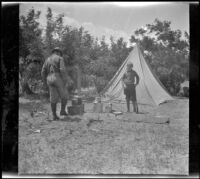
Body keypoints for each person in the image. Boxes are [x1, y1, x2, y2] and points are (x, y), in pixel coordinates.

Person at [41, 47, 73, 120]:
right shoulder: (60, 58)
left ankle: (54, 115)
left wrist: (45, 82)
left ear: (53, 52)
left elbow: (42, 72)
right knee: (65, 95)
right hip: (57, 77)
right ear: (59, 52)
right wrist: (65, 80)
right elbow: (62, 70)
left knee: (53, 98)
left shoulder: (47, 59)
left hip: (49, 78)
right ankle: (62, 111)